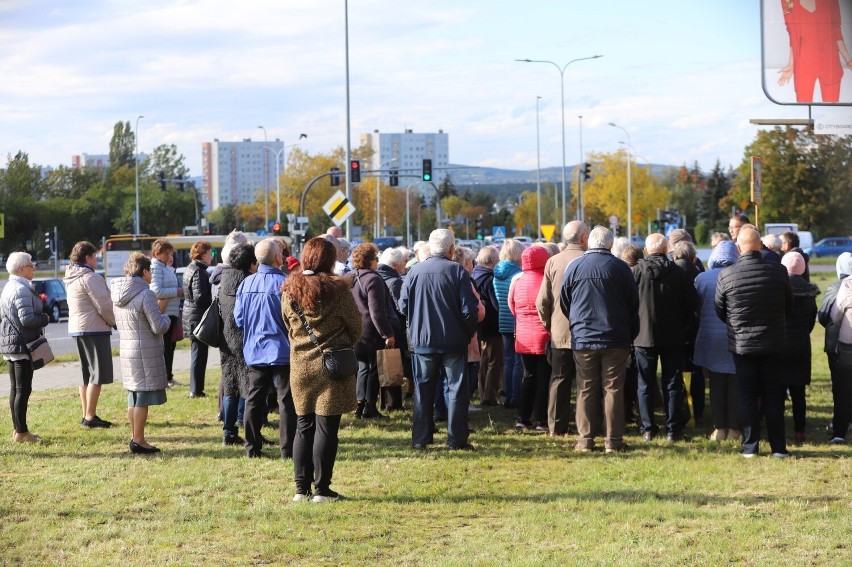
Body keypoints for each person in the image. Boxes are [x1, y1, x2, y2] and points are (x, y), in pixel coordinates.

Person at [281, 237, 361, 502]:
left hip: (300, 365)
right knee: (327, 428)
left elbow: (287, 326)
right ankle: (322, 489)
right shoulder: (338, 291)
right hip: (332, 364)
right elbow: (355, 326)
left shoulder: (289, 290)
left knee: (303, 425)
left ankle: (300, 490)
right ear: (329, 260)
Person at [715, 227, 793, 458]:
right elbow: (788, 305)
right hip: (773, 342)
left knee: (747, 396)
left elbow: (720, 310)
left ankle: (750, 447)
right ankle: (778, 447)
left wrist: (737, 324)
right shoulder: (779, 272)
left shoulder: (727, 275)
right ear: (760, 246)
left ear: (739, 248)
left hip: (742, 345)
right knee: (773, 394)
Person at [560, 227, 639, 453]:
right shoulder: (621, 268)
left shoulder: (574, 266)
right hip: (615, 336)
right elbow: (633, 304)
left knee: (586, 388)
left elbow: (565, 301)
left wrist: (577, 323)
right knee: (613, 388)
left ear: (589, 243)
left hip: (584, 336)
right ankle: (613, 441)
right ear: (610, 244)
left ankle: (585, 440)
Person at [399, 229, 479, 450]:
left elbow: (402, 306)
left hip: (423, 341)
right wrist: (468, 332)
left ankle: (421, 439)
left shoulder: (415, 272)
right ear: (452, 248)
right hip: (452, 340)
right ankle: (456, 440)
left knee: (423, 390)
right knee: (456, 390)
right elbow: (469, 309)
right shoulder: (457, 271)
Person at [633, 233, 698, 442]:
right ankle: (673, 429)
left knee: (645, 383)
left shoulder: (635, 273)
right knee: (672, 383)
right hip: (673, 336)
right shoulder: (678, 273)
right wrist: (683, 325)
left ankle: (648, 428)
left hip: (643, 336)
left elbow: (628, 303)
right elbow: (691, 304)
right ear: (666, 249)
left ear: (646, 250)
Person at [234, 238, 295, 459]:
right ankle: (287, 450)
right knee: (286, 401)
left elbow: (239, 319)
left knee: (254, 399)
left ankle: (251, 448)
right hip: (282, 350)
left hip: (256, 350)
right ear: (278, 258)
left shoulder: (246, 284)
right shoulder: (285, 284)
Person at [111, 252, 171, 454]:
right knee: (142, 399)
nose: (152, 275)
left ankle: (135, 436)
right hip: (144, 350)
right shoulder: (146, 294)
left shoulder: (118, 292)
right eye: (150, 271)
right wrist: (167, 318)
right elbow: (158, 326)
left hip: (128, 349)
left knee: (134, 397)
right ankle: (139, 440)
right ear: (144, 271)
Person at [536, 220, 589, 436]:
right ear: (584, 238)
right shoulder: (589, 261)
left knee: (559, 379)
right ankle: (586, 424)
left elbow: (542, 301)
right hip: (587, 330)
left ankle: (556, 427)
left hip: (560, 331)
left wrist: (550, 325)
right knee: (587, 381)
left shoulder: (553, 262)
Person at [65, 241, 116, 428]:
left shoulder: (71, 276)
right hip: (94, 328)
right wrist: (114, 321)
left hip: (78, 328)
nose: (97, 260)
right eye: (95, 256)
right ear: (87, 258)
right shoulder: (90, 277)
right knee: (98, 374)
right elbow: (104, 305)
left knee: (85, 375)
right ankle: (90, 417)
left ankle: (87, 413)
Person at [694, 241, 741, 441]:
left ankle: (719, 429)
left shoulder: (702, 278)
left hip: (710, 339)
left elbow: (695, 307)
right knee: (735, 385)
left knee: (715, 385)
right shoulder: (739, 276)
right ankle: (734, 429)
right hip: (735, 337)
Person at [1, 252, 50, 443]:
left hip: (11, 343)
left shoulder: (9, 286)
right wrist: (45, 318)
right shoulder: (21, 289)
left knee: (16, 389)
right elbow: (27, 319)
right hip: (21, 345)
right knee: (23, 390)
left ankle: (18, 430)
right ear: (22, 269)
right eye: (31, 265)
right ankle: (21, 432)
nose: (34, 267)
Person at [348, 243, 396, 419]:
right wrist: (387, 334)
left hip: (353, 331)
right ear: (370, 261)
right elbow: (376, 312)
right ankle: (370, 407)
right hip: (370, 331)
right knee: (375, 369)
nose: (378, 261)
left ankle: (359, 404)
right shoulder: (373, 279)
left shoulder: (349, 276)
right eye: (376, 258)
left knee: (362, 367)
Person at [217, 243, 257, 446]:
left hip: (225, 338)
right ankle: (250, 431)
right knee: (249, 386)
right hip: (244, 338)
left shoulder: (224, 278)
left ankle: (228, 432)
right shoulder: (248, 282)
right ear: (251, 263)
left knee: (230, 386)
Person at [509, 245, 551, 431]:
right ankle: (542, 419)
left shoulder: (517, 280)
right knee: (544, 377)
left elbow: (512, 305)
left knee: (528, 375)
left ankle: (523, 417)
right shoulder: (546, 280)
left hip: (523, 334)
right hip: (545, 334)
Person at [778, 0, 852, 103]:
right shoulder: (787, 1)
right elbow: (793, 34)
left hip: (830, 62)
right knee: (804, 110)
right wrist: (791, 64)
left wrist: (848, 59)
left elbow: (836, 30)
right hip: (804, 65)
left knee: (832, 111)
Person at [780, 251, 819, 446]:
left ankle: (777, 425)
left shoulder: (778, 287)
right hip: (802, 345)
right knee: (798, 392)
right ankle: (799, 430)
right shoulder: (810, 293)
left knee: (777, 389)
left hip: (780, 343)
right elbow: (811, 322)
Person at [820, 253, 852, 443]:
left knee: (841, 388)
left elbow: (829, 316)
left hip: (842, 345)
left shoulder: (839, 287)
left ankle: (840, 430)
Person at [376, 246, 409, 411]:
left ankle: (383, 402)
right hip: (394, 328)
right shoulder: (395, 281)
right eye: (403, 261)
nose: (405, 264)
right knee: (394, 366)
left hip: (380, 328)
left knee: (383, 366)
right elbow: (400, 308)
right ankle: (393, 404)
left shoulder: (378, 276)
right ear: (396, 265)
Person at [493, 239, 524, 408]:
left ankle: (507, 396)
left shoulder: (497, 273)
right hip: (516, 319)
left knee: (508, 359)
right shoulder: (517, 274)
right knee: (518, 360)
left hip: (502, 319)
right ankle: (515, 396)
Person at [149, 238, 183, 388]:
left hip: (171, 312)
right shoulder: (156, 267)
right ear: (157, 253)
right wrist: (177, 292)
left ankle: (168, 377)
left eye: (171, 253)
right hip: (164, 313)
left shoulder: (163, 267)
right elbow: (156, 291)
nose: (170, 257)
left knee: (170, 346)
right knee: (165, 347)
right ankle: (164, 379)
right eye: (167, 253)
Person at [181, 240, 213, 398]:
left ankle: (196, 388)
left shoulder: (191, 267)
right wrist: (213, 298)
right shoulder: (199, 271)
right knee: (199, 354)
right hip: (197, 316)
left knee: (198, 353)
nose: (212, 257)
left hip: (191, 315)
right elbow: (200, 297)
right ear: (203, 254)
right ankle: (196, 389)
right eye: (210, 253)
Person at [472, 245, 502, 407]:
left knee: (484, 360)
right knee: (494, 361)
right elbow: (496, 304)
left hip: (481, 326)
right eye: (497, 259)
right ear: (491, 260)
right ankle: (490, 396)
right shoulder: (490, 279)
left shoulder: (475, 275)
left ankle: (483, 391)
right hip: (492, 325)